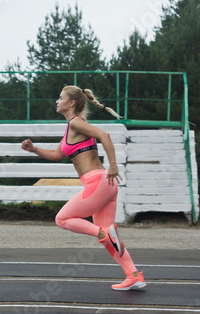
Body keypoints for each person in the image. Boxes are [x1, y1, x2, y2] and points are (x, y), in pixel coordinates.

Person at [21, 86, 146, 291]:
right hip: (105, 185)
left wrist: (113, 165)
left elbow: (104, 135)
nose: (56, 101)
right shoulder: (71, 129)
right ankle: (133, 275)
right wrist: (33, 149)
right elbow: (55, 155)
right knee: (108, 238)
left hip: (97, 182)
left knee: (62, 219)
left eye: (60, 98)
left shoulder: (76, 123)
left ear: (71, 103)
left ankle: (104, 234)